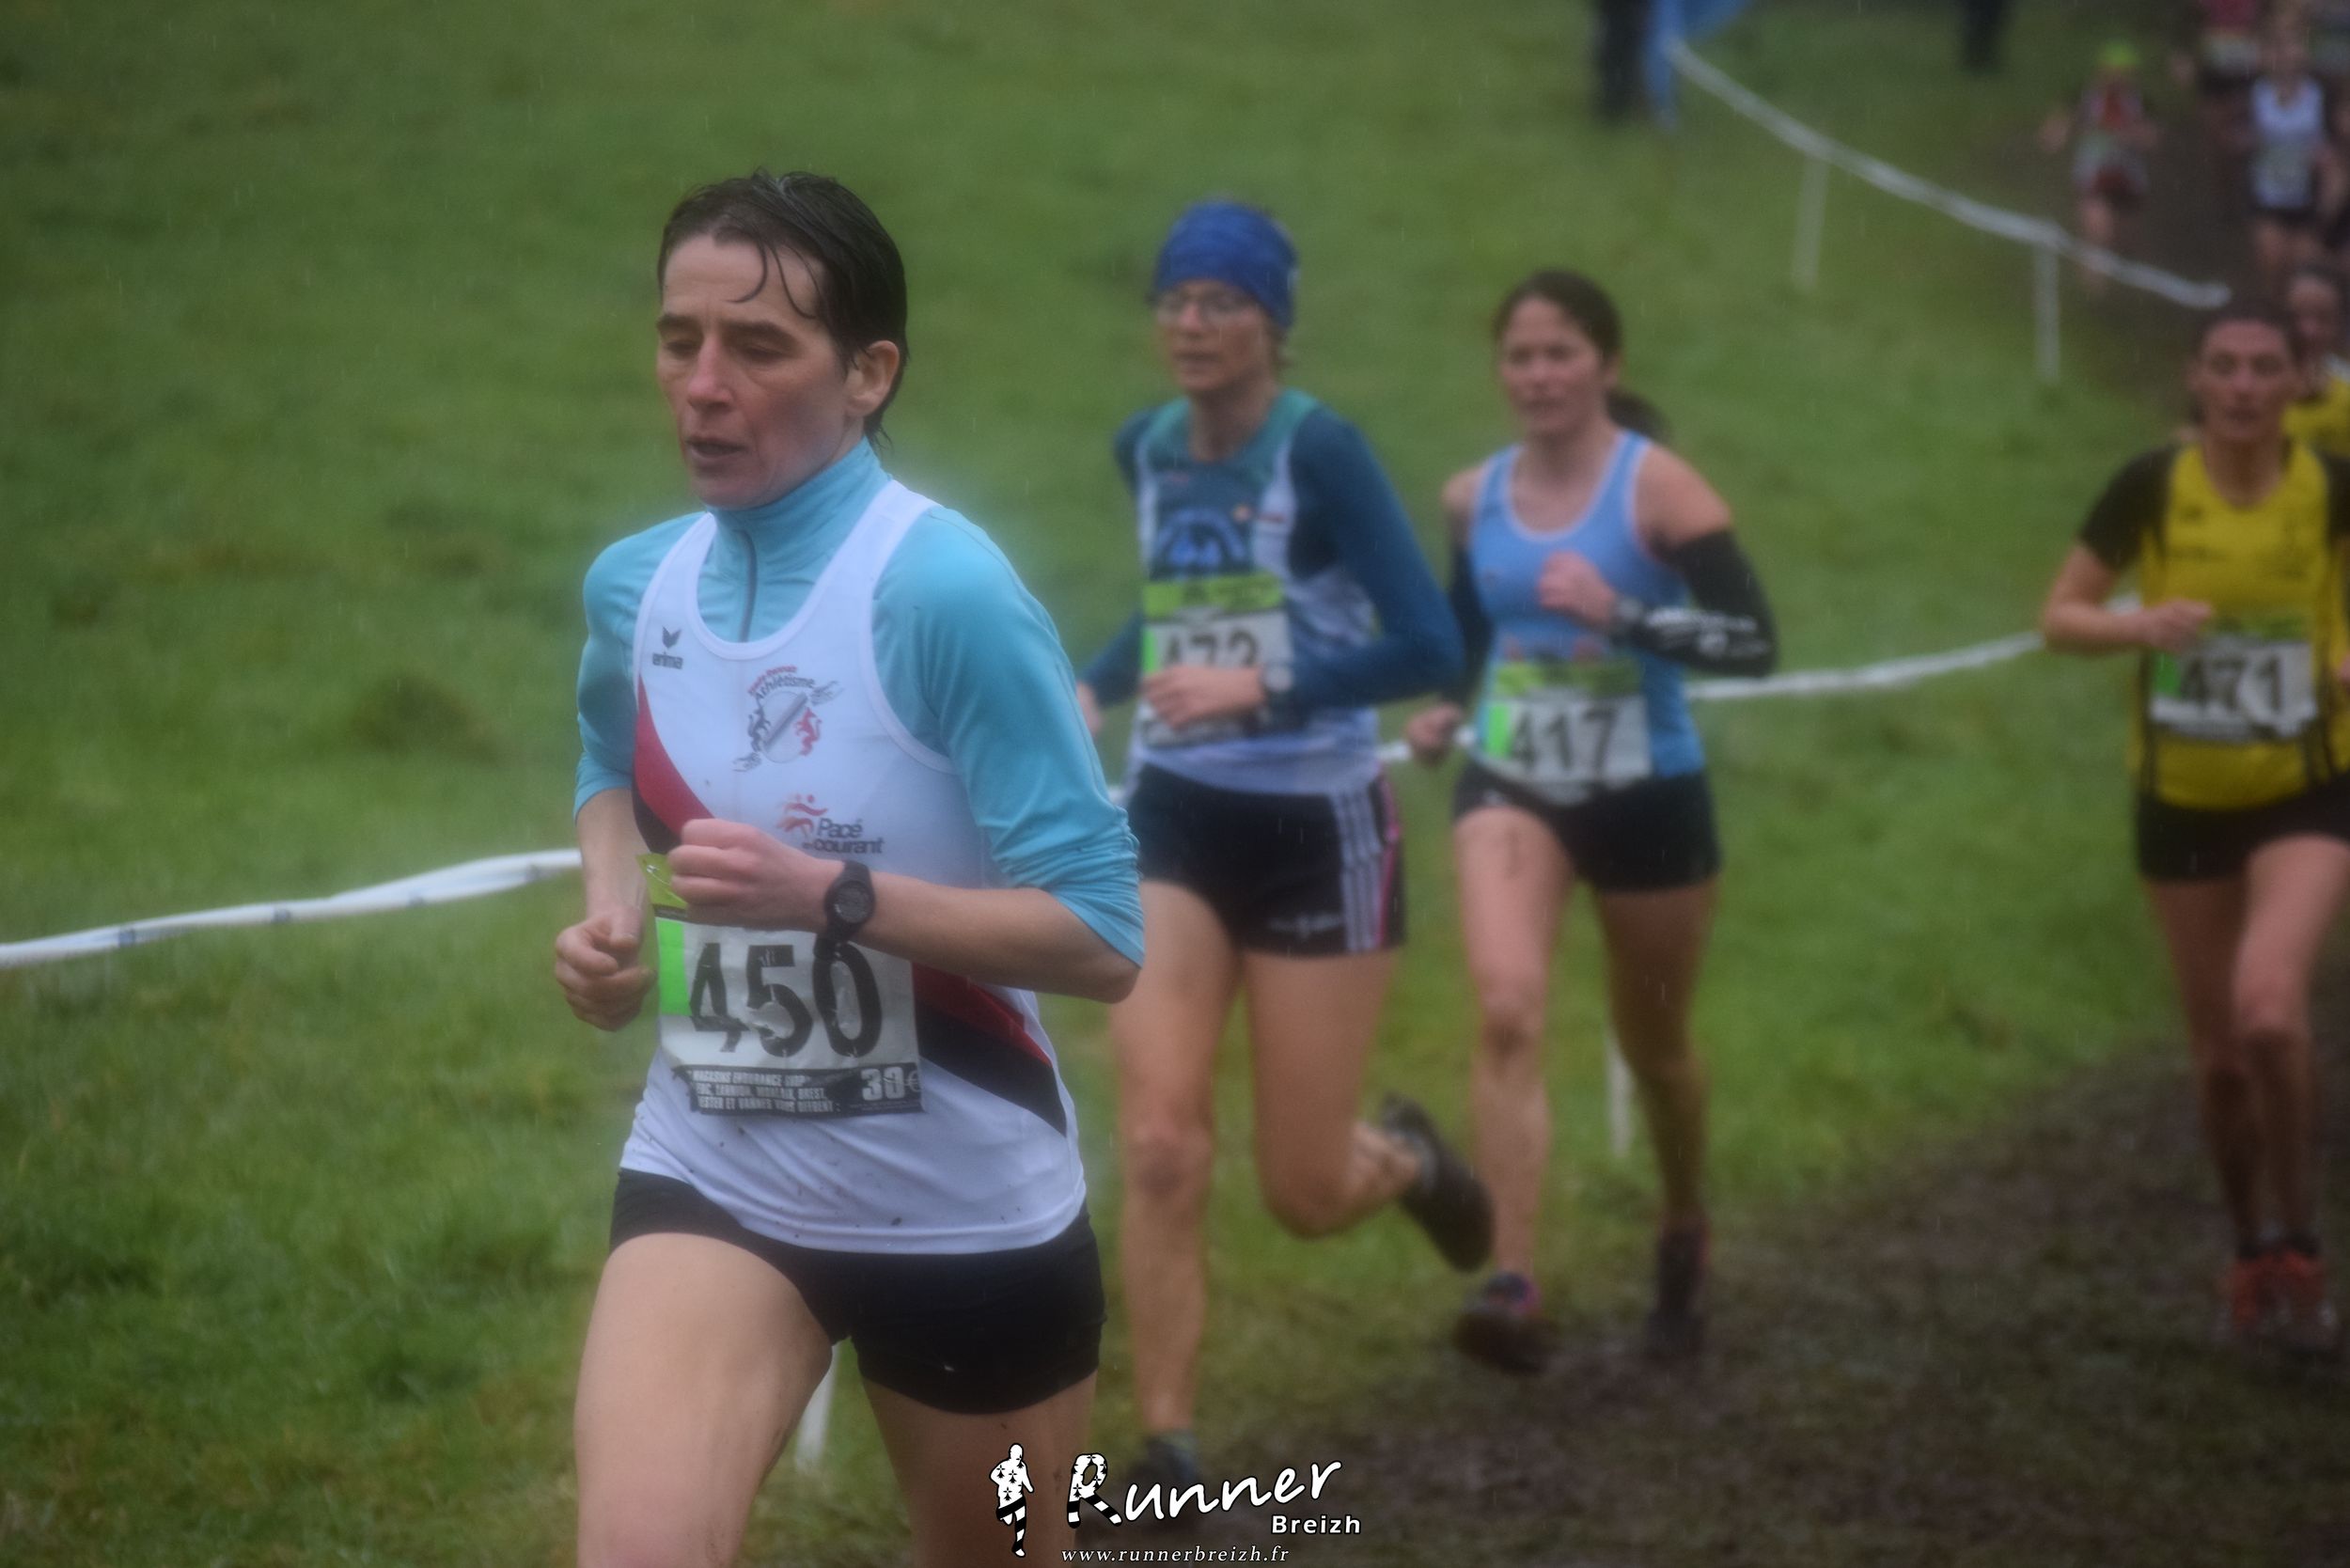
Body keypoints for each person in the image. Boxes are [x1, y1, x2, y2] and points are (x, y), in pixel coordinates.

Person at [554, 170, 1143, 1568]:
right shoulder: (636, 586)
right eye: (679, 340)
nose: (704, 386)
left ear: (869, 374)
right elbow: (604, 761)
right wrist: (612, 910)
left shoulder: (943, 592)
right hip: (717, 1165)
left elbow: (1103, 937)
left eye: (758, 348)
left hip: (966, 1209)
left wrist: (831, 897)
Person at [1073, 199, 1485, 1503]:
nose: (1192, 323)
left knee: (1304, 1192)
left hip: (1320, 830)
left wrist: (1264, 689)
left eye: (1222, 302)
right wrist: (1094, 684)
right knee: (1159, 1141)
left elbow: (1430, 645)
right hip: (1176, 816)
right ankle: (1168, 1447)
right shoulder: (1146, 447)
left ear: (1273, 323)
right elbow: (1178, 603)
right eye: (1175, 299)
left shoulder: (1325, 454)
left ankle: (1405, 1160)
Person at [1402, 271, 1776, 1372]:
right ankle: (1511, 1279)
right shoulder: (1474, 498)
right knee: (1507, 1008)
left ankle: (1682, 1217)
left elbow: (1754, 643)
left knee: (1655, 1049)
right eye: (1519, 356)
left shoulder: (1660, 490)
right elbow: (1472, 629)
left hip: (1647, 794)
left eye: (1560, 353)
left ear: (1606, 365)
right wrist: (1446, 705)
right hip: (1513, 781)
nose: (1538, 375)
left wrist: (1622, 613)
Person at [2039, 302, 2347, 1358]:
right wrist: (2138, 625)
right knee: (2219, 1062)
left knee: (2269, 1013)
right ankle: (2248, 1247)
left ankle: (2302, 1244)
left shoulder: (2332, 488)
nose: (2245, 387)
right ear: (2195, 377)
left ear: (2299, 379)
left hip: (2306, 789)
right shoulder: (2150, 486)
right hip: (2181, 798)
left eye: (2265, 367)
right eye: (2225, 366)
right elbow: (2060, 617)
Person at [2041, 43, 2159, 293]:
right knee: (2097, 230)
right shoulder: (2085, 99)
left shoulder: (2140, 103)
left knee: (2124, 239)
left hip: (2128, 178)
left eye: (2123, 74)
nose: (2116, 80)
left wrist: (2130, 134)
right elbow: (2055, 129)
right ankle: (2093, 290)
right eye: (2111, 73)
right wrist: (2058, 134)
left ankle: (2118, 288)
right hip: (2092, 174)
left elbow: (2151, 138)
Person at [2247, 29, 2337, 290]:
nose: (2286, 56)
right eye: (2279, 49)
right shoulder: (2255, 93)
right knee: (2272, 265)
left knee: (2303, 271)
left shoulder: (2320, 95)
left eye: (2293, 47)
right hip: (2268, 197)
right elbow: (2238, 136)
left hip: (2308, 199)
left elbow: (2335, 143)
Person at [2284, 262, 2350, 454]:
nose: (2309, 331)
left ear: (2339, 324)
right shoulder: (2246, 382)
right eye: (2298, 315)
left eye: (2324, 318)